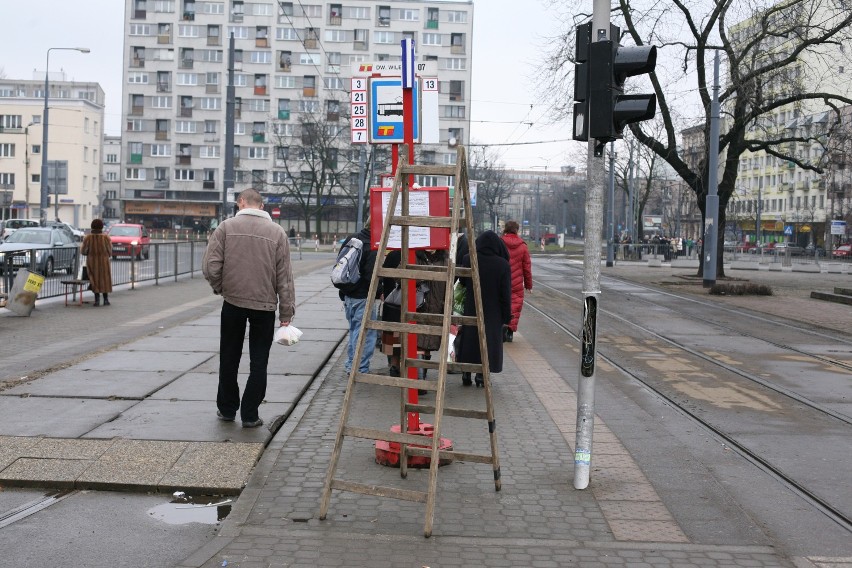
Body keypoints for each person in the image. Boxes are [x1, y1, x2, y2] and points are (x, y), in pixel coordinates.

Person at [202, 188, 295, 428]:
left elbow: (211, 266)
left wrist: (222, 287)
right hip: (264, 306)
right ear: (261, 206)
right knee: (259, 361)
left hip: (232, 302)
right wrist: (286, 314)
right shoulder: (278, 233)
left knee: (229, 357)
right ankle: (250, 414)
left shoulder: (225, 228)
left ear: (241, 202)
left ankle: (227, 408)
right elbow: (284, 278)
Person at [456, 231, 512, 387]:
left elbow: (462, 281)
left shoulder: (469, 259)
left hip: (471, 307)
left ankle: (466, 372)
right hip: (493, 312)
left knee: (469, 339)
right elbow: (506, 294)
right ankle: (481, 375)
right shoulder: (502, 265)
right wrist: (507, 317)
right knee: (487, 342)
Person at [339, 218, 379, 374]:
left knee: (355, 331)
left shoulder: (352, 238)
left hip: (348, 294)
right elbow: (370, 277)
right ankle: (359, 368)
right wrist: (380, 289)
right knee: (365, 334)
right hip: (363, 296)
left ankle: (351, 364)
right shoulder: (373, 246)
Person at [501, 221, 532, 342]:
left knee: (501, 303)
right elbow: (527, 267)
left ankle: (502, 326)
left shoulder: (500, 242)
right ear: (517, 230)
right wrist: (528, 285)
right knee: (515, 305)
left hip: (502, 280)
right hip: (517, 283)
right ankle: (510, 331)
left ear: (505, 229)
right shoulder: (523, 246)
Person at [80, 218, 113, 307]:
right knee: (104, 279)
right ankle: (106, 299)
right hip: (104, 262)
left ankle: (97, 300)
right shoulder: (106, 237)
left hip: (92, 262)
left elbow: (83, 251)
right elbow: (110, 251)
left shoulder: (88, 237)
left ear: (92, 226)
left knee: (94, 279)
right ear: (101, 227)